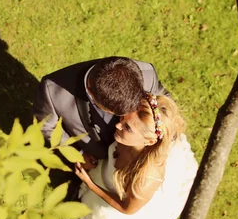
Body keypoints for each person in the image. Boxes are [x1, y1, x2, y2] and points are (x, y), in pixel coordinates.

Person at [74, 94, 198, 219]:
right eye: (124, 119)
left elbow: (127, 209)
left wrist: (90, 183)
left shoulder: (146, 179)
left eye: (127, 128)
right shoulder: (129, 136)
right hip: (112, 176)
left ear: (149, 141)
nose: (118, 126)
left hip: (123, 205)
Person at [32, 57, 166, 168]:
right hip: (97, 157)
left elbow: (164, 106)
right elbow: (47, 126)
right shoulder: (53, 91)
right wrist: (77, 153)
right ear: (91, 94)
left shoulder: (147, 74)